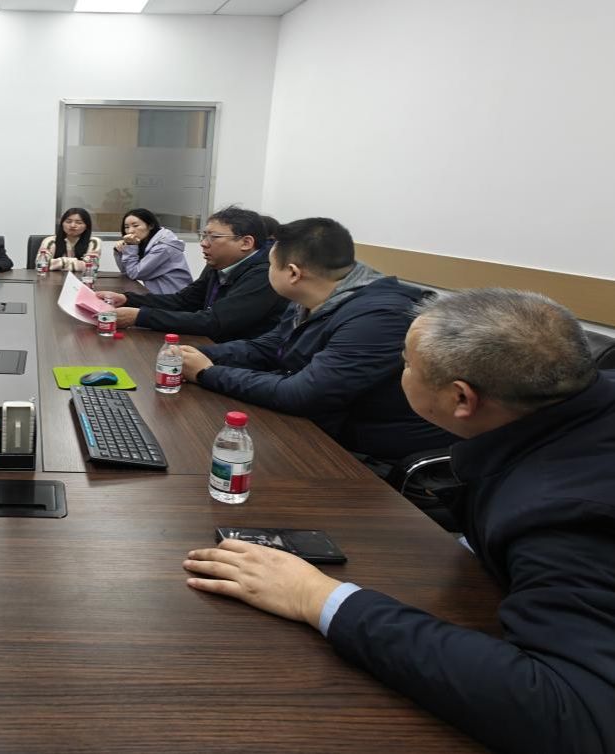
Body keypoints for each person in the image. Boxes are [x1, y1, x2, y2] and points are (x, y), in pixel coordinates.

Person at [183, 289, 615, 754]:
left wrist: (317, 596)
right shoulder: (574, 419)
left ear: (461, 398)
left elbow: (572, 713)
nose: (397, 370)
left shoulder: (565, 513)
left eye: (405, 363)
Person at [179, 217, 451, 463]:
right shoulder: (312, 297)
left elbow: (303, 393)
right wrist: (198, 354)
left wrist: (207, 373)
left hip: (370, 457)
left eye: (270, 265)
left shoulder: (379, 317)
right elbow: (269, 347)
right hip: (323, 426)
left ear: (293, 273)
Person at [98, 205, 286, 343]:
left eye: (214, 237)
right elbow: (183, 301)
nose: (203, 243)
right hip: (211, 345)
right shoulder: (218, 265)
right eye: (203, 235)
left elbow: (215, 322)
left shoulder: (264, 275)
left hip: (239, 359)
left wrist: (140, 316)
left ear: (246, 243)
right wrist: (127, 299)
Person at [111, 208, 192, 294]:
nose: (130, 231)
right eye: (127, 227)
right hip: (160, 296)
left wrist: (131, 246)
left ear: (150, 226)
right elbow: (127, 272)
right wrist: (120, 251)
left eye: (135, 226)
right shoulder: (146, 243)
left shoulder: (163, 248)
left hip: (174, 298)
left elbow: (134, 274)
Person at [36, 207, 101, 272]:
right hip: (53, 278)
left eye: (79, 223)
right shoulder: (50, 241)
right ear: (62, 224)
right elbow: (41, 265)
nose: (72, 225)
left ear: (86, 226)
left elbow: (92, 266)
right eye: (68, 222)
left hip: (82, 278)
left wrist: (58, 263)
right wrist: (77, 263)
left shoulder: (93, 242)